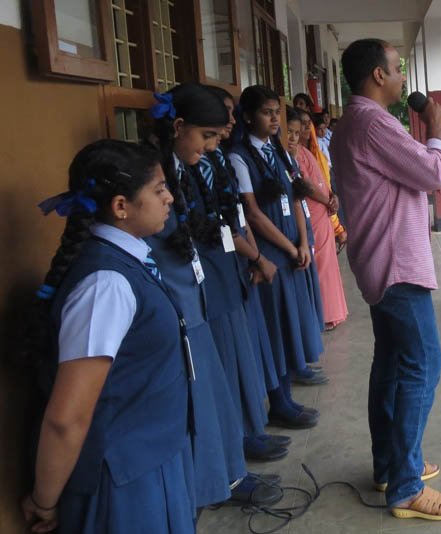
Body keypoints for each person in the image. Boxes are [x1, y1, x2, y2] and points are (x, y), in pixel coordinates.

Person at [24, 140, 195, 533]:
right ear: (121, 206)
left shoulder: (129, 260)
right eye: (159, 190)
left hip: (148, 458)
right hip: (122, 481)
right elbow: (67, 418)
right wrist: (44, 500)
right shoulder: (106, 285)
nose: (169, 198)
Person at [331, 38, 441, 521]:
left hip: (380, 261)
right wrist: (435, 129)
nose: (404, 77)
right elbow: (432, 174)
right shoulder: (373, 124)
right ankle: (406, 485)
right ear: (378, 75)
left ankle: (390, 465)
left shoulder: (354, 122)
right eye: (398, 68)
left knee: (391, 364)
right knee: (423, 364)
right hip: (396, 265)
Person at [146, 83, 281, 508]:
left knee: (214, 390)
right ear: (178, 126)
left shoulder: (185, 167)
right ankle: (218, 482)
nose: (210, 145)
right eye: (206, 135)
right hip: (178, 303)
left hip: (197, 295)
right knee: (199, 397)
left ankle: (228, 472)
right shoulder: (154, 174)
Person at [229, 85, 324, 429]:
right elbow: (252, 214)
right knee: (273, 329)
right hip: (270, 252)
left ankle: (287, 397)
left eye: (276, 113)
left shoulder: (278, 150)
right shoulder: (238, 157)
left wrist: (303, 242)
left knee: (289, 324)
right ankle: (279, 402)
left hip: (292, 247)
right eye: (266, 113)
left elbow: (295, 197)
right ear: (247, 116)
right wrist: (288, 247)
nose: (273, 119)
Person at [206, 85, 291, 463]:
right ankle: (240, 442)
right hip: (218, 272)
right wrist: (258, 256)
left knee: (250, 348)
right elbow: (239, 217)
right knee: (231, 358)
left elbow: (237, 218)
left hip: (240, 262)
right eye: (222, 115)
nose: (228, 122)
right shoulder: (226, 159)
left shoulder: (216, 161)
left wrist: (255, 257)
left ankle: (255, 427)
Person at [287, 108, 349, 330]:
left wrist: (332, 196)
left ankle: (333, 312)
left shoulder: (306, 152)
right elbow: (305, 184)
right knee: (319, 264)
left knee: (328, 264)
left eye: (305, 125)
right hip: (312, 211)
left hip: (323, 209)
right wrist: (326, 200)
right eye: (293, 130)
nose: (303, 130)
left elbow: (322, 178)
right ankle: (324, 314)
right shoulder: (292, 156)